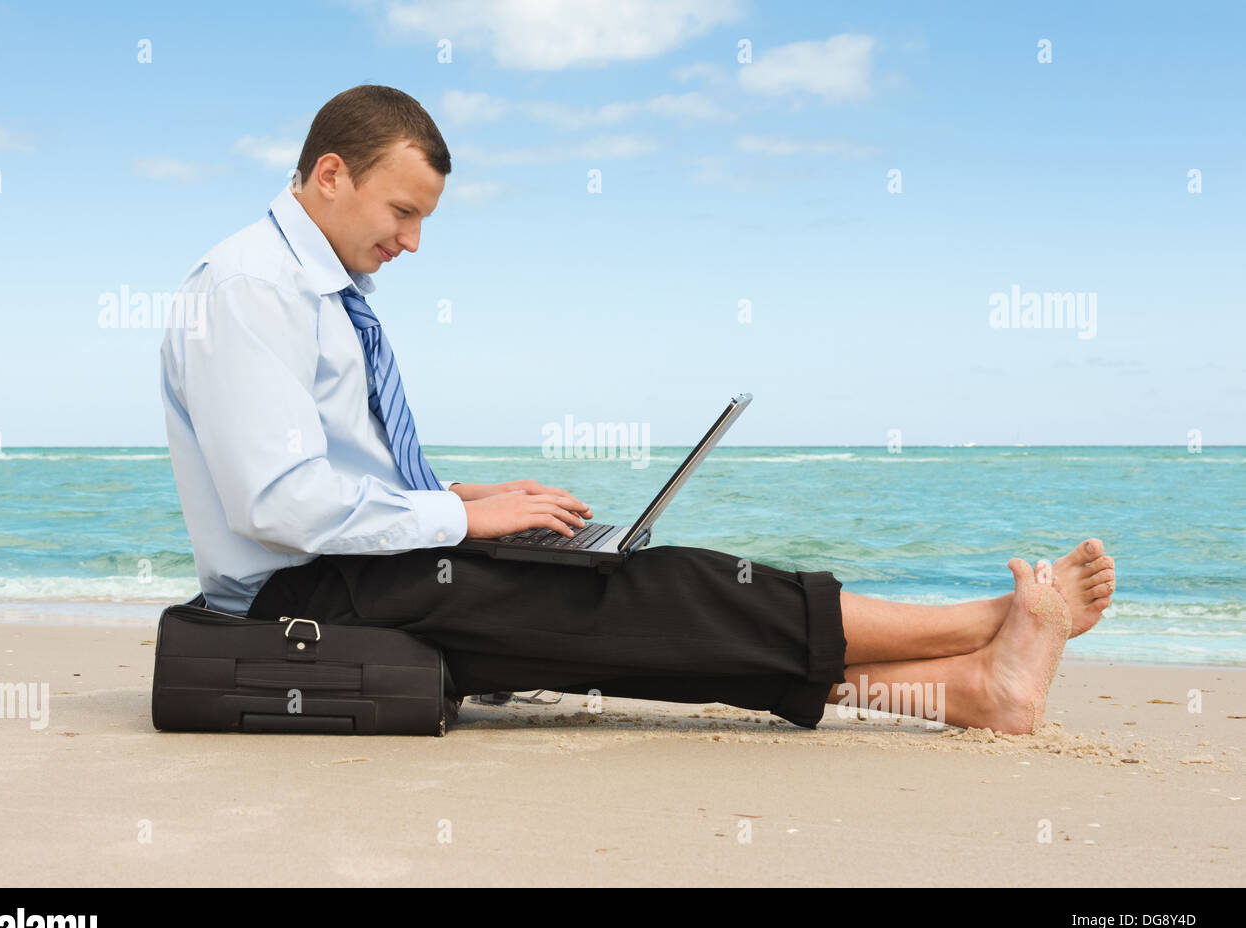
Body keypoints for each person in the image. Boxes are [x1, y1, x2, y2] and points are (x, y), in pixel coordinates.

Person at [160, 85, 1118, 735]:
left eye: (424, 220)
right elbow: (276, 503)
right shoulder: (250, 288)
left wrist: (456, 492)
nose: (413, 242)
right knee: (650, 595)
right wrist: (460, 519)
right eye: (402, 213)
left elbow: (326, 470)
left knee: (630, 617)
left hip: (356, 562)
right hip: (302, 593)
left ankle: (972, 690)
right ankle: (981, 623)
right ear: (332, 175)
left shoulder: (310, 288)